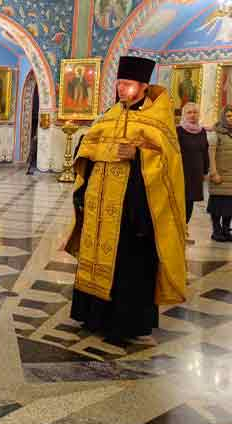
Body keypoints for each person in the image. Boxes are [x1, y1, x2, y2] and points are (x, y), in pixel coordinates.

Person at [65, 56, 186, 344]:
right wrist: (87, 156)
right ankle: (92, 316)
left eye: (127, 84)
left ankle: (124, 325)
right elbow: (89, 148)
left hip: (134, 210)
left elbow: (170, 163)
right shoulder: (110, 114)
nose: (121, 89)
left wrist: (139, 155)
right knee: (94, 256)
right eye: (119, 84)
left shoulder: (158, 118)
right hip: (99, 204)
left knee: (128, 266)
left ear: (143, 86)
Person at [176, 102, 209, 225]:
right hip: (181, 172)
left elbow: (205, 151)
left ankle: (184, 228)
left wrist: (205, 171)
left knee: (190, 202)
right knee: (179, 202)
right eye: (189, 112)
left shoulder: (202, 131)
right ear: (184, 115)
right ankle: (177, 229)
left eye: (195, 112)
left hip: (196, 173)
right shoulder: (178, 130)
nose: (192, 115)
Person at [208, 105, 232, 242]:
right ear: (223, 117)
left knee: (229, 206)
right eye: (228, 116)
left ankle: (226, 230)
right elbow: (211, 155)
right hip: (220, 176)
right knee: (217, 205)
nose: (231, 118)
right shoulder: (216, 133)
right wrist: (213, 173)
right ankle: (216, 231)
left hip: (231, 177)